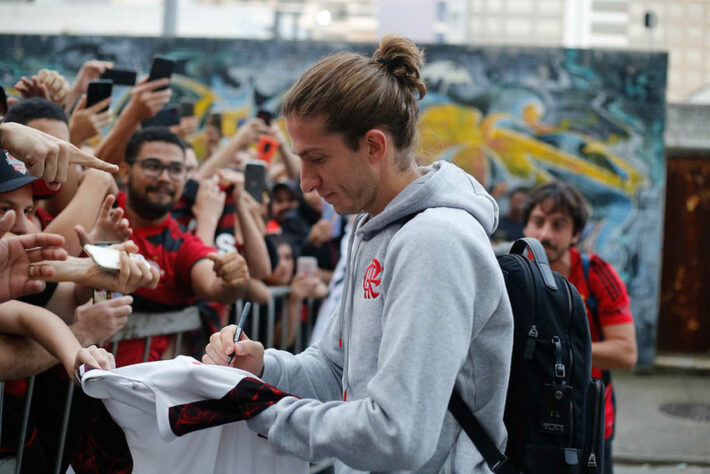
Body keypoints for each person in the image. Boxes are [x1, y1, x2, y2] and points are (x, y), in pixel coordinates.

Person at [204, 35, 513, 473]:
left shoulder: (435, 242)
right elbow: (336, 373)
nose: (306, 181)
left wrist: (259, 410)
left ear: (373, 146)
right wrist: (264, 368)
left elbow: (397, 434)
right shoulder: (373, 227)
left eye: (318, 159)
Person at [521, 181, 637, 474]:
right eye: (538, 222)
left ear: (575, 234)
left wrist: (554, 352)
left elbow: (625, 353)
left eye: (559, 225)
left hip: (587, 418)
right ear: (525, 228)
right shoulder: (509, 276)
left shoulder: (596, 274)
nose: (545, 234)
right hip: (524, 415)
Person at [113, 126, 250, 365]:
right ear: (125, 171)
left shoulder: (181, 244)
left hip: (136, 395)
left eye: (176, 170)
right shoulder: (101, 209)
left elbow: (214, 283)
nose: (165, 177)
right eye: (153, 166)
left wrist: (233, 279)